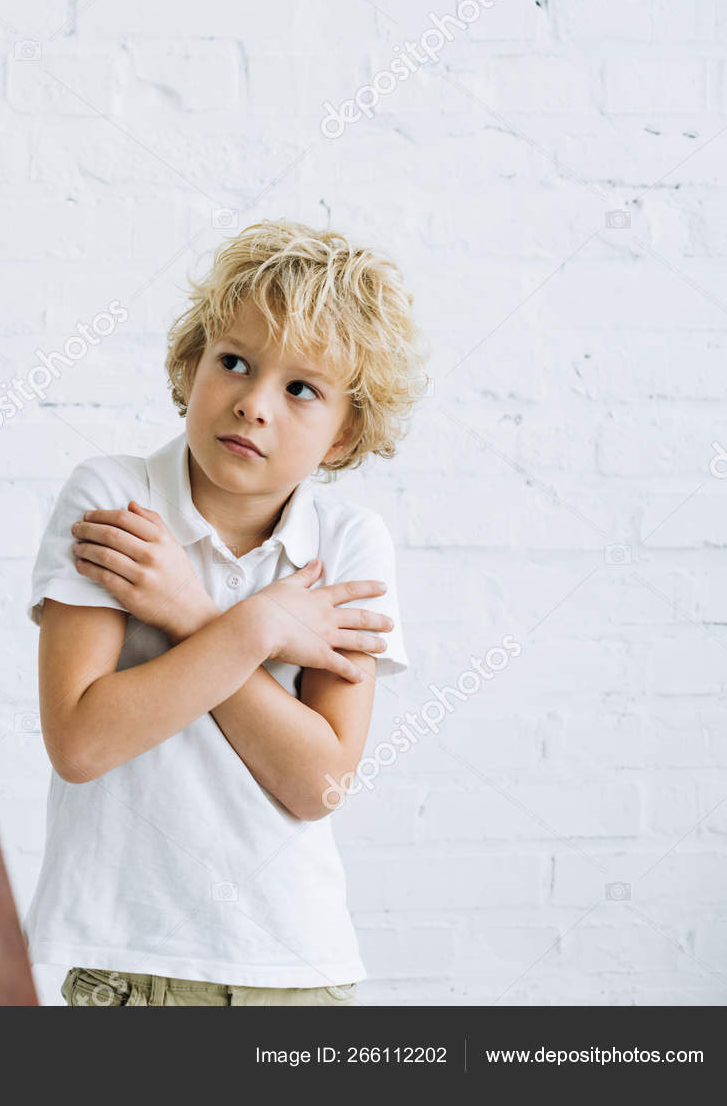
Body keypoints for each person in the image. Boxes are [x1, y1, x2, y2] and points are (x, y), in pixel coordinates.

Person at [24, 220, 428, 1006]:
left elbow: (319, 785)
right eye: (234, 362)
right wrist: (256, 626)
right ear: (192, 364)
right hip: (128, 967)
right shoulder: (115, 500)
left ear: (345, 435)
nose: (252, 404)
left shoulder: (348, 546)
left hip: (296, 968)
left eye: (300, 388)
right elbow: (81, 741)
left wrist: (190, 612)